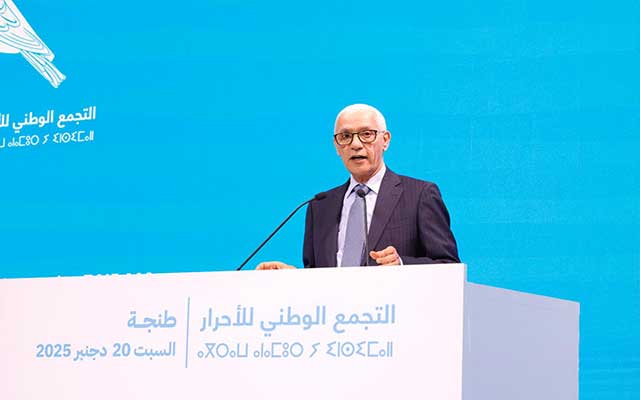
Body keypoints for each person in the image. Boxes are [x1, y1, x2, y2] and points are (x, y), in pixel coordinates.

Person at [257, 104, 459, 270]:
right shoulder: (319, 206)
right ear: (336, 146)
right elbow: (317, 276)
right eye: (345, 137)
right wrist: (291, 276)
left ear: (385, 140)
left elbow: (448, 266)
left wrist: (401, 264)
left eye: (366, 134)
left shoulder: (420, 195)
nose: (355, 144)